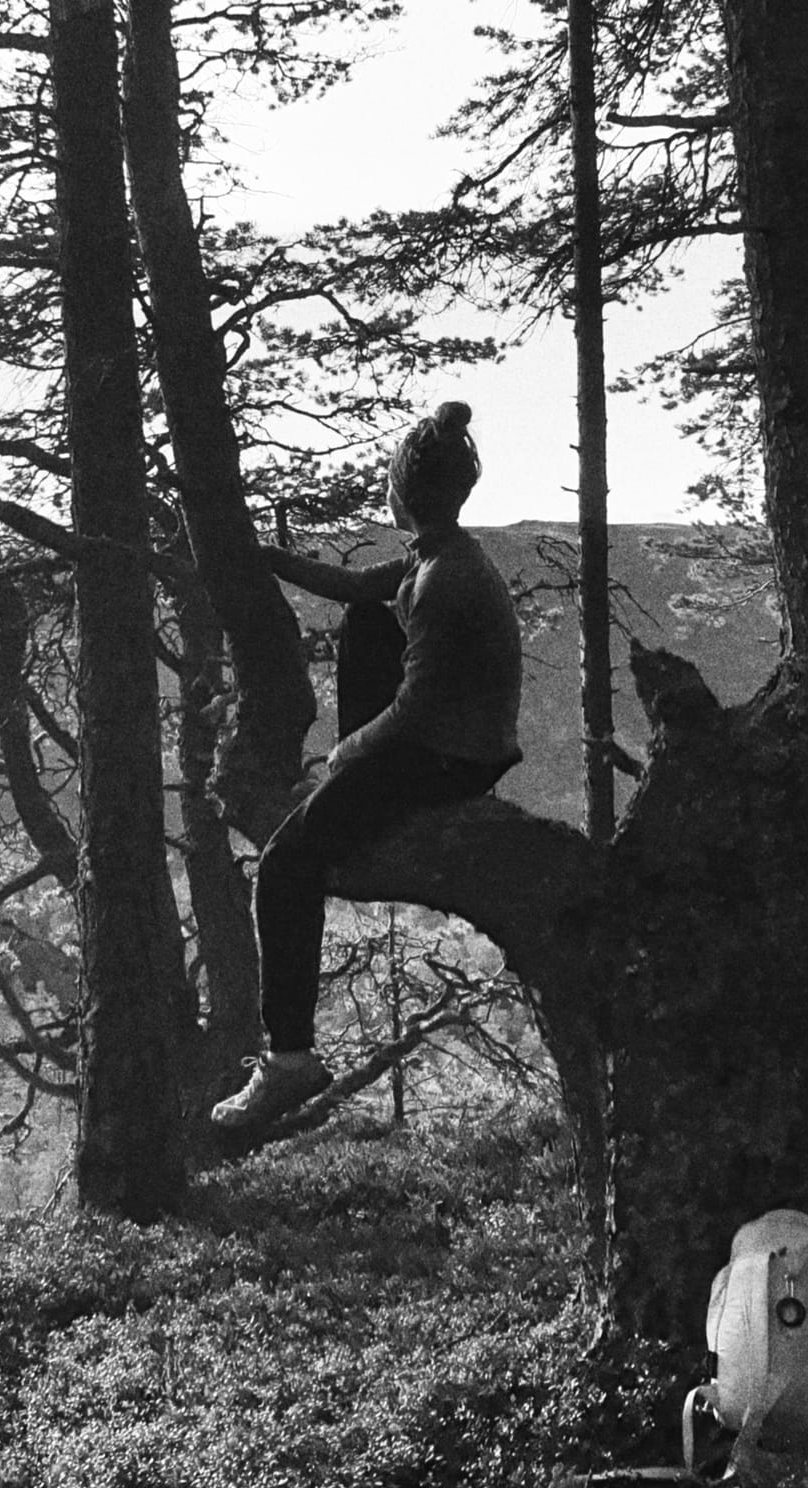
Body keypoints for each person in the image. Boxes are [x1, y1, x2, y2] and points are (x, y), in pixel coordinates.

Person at [212, 400, 524, 1131]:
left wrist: (340, 758)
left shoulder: (445, 578)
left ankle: (289, 1058)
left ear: (400, 491)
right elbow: (357, 588)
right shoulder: (437, 554)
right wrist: (274, 560)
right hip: (450, 743)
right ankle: (352, 782)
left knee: (286, 865)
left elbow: (414, 711)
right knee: (363, 620)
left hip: (448, 758)